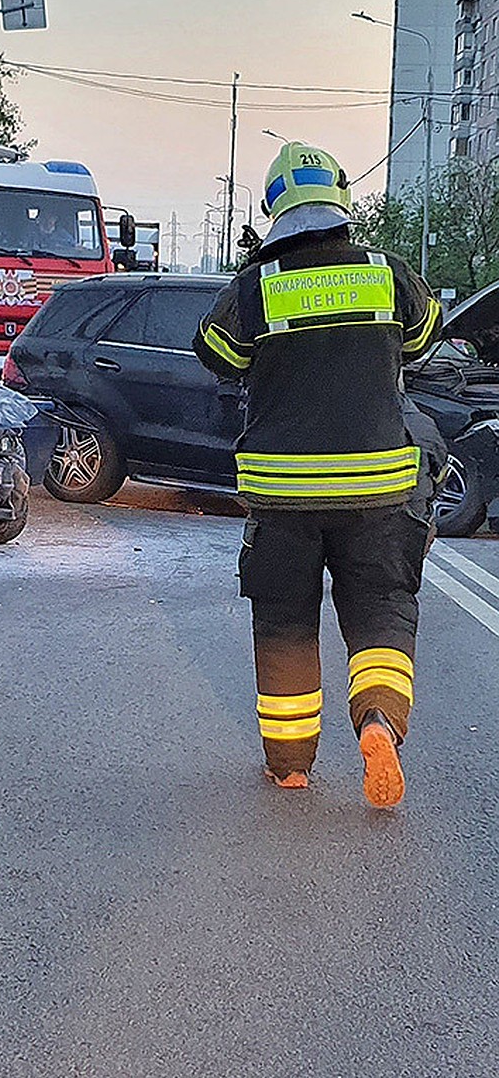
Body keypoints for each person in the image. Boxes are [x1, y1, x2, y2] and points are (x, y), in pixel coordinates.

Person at [193, 141, 443, 808]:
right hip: (378, 487)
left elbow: (214, 351)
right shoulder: (387, 274)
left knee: (285, 623)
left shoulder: (259, 287)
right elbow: (424, 337)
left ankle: (291, 764)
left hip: (283, 493)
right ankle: (381, 722)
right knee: (382, 609)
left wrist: (258, 274)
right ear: (340, 202)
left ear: (276, 209)